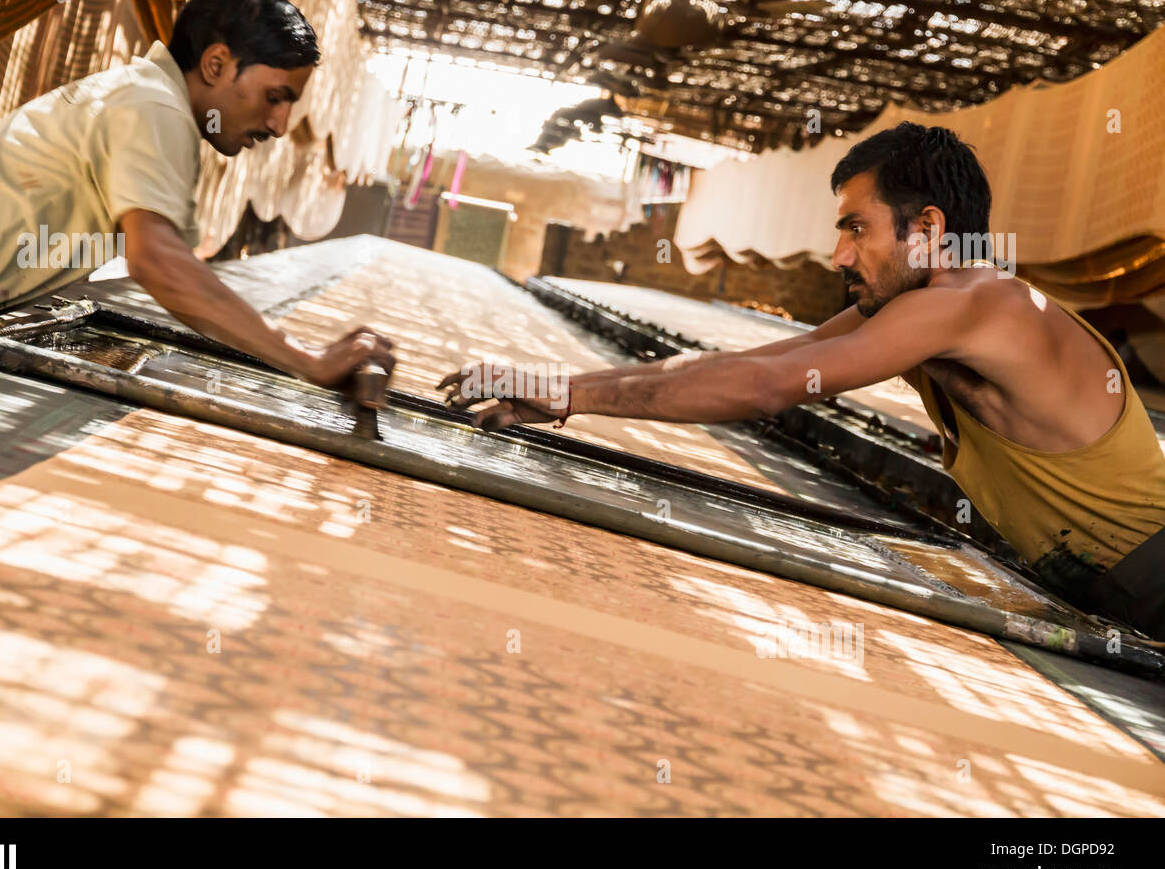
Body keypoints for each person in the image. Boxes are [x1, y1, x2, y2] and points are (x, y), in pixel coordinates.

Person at [440, 123, 1165, 639]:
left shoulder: (981, 306)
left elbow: (766, 390)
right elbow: (755, 368)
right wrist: (561, 389)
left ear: (929, 227)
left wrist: (568, 394)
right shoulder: (921, 310)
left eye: (857, 229)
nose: (838, 254)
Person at [0, 0, 393, 388]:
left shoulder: (153, 99)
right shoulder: (153, 108)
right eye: (275, 97)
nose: (279, 125)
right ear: (215, 65)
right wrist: (306, 360)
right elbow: (159, 262)